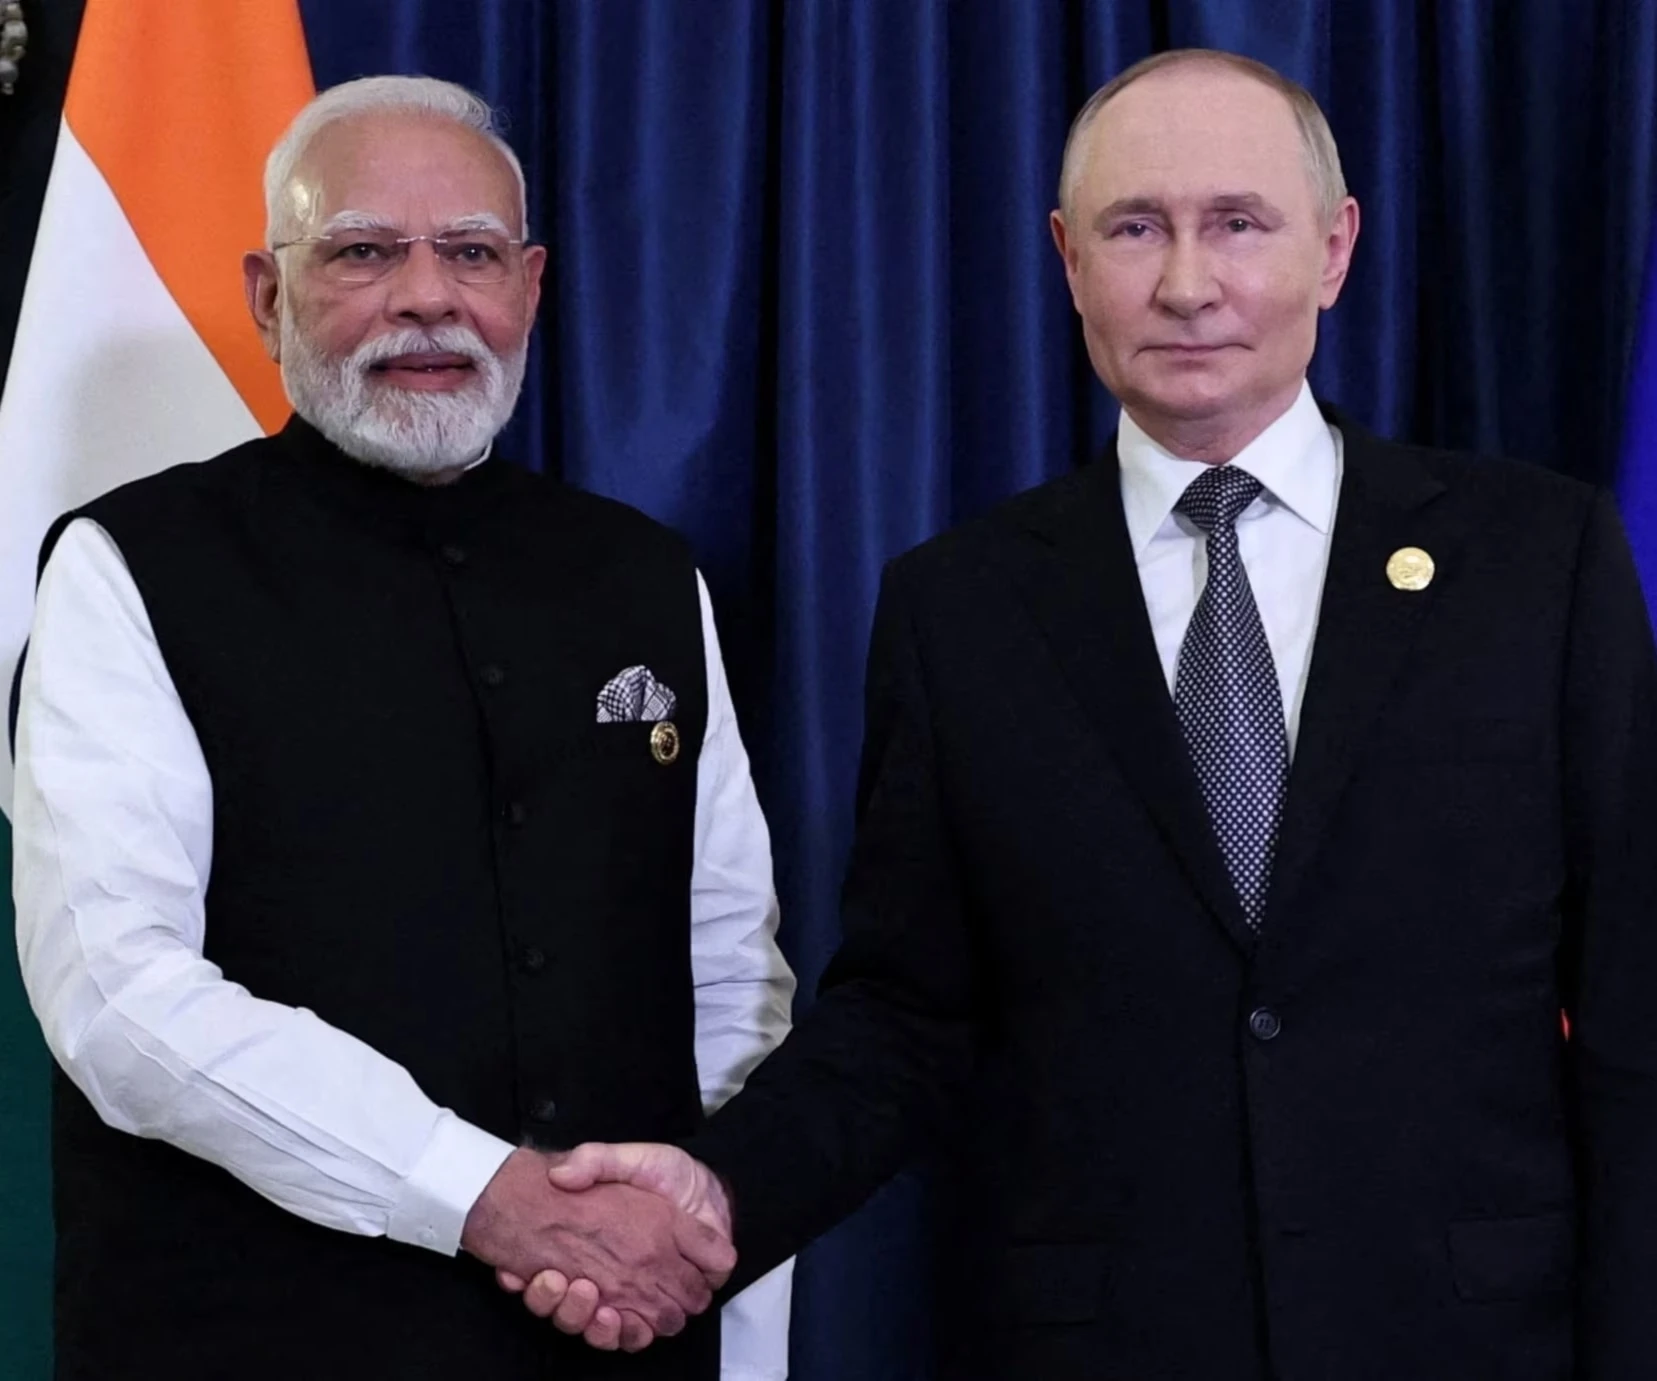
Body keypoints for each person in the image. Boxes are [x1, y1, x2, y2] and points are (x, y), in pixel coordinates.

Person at [512, 48, 1657, 1380]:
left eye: (1238, 223)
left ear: (1336, 249)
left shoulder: (1537, 561)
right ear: (1067, 259)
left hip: (1473, 1338)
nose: (1187, 283)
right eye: (1135, 228)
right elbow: (907, 1016)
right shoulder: (964, 608)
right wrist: (722, 1193)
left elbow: (1634, 1006)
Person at [10, 75, 794, 1381]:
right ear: (269, 295)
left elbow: (728, 981)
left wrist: (697, 1254)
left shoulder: (647, 577)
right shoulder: (128, 567)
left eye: (471, 254)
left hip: (617, 1346)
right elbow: (118, 996)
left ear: (530, 289)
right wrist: (481, 1190)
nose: (428, 297)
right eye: (366, 253)